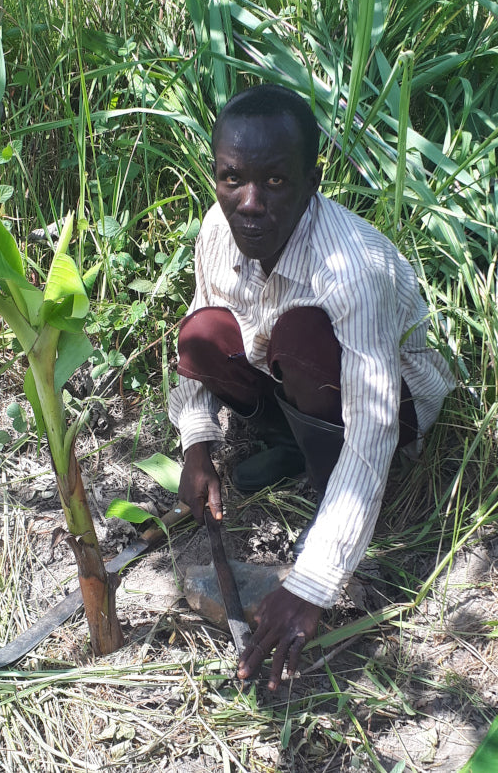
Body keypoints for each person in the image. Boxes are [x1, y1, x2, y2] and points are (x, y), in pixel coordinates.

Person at [168, 83, 454, 690]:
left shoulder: (353, 268)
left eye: (275, 181)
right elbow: (202, 324)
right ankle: (293, 444)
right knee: (204, 333)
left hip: (387, 402)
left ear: (311, 181)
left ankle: (324, 483)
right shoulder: (217, 230)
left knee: (302, 334)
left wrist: (313, 582)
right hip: (290, 378)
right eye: (231, 178)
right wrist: (196, 446)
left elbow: (374, 428)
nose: (249, 203)